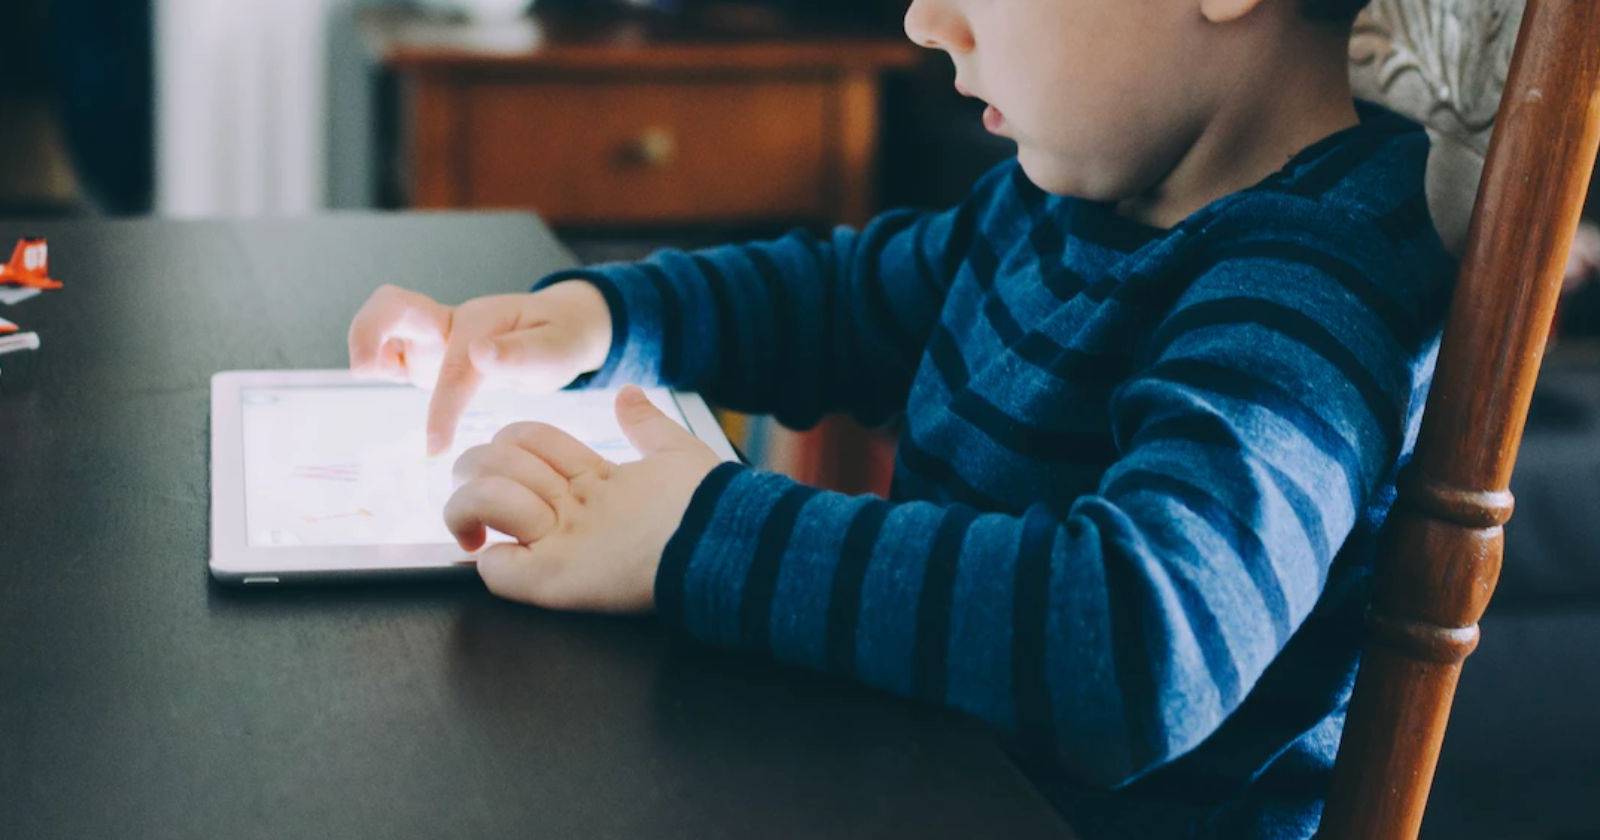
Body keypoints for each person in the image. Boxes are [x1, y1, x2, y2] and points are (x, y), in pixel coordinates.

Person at [346, 0, 1458, 835]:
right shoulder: (1066, 198)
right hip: (918, 773)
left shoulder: (1317, 277)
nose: (926, 20)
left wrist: (699, 529)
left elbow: (1141, 639)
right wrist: (597, 320)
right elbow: (840, 301)